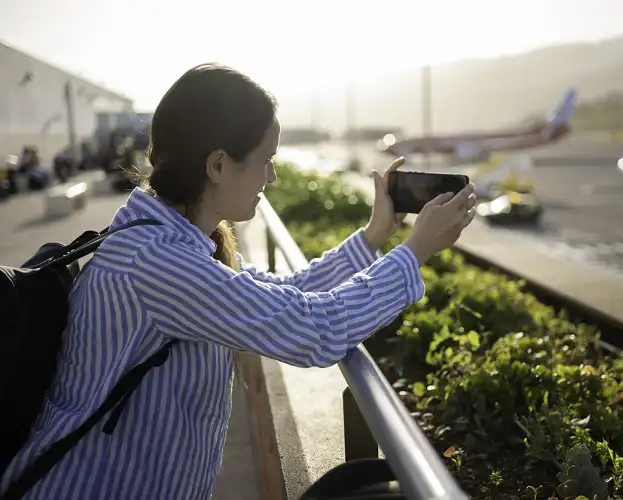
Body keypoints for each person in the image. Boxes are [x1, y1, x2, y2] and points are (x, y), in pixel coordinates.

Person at [0, 63, 476, 500]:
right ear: (218, 164)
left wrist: (374, 236)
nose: (271, 175)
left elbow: (287, 292)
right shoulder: (157, 262)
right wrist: (416, 252)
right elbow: (316, 329)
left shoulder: (171, 240)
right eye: (266, 159)